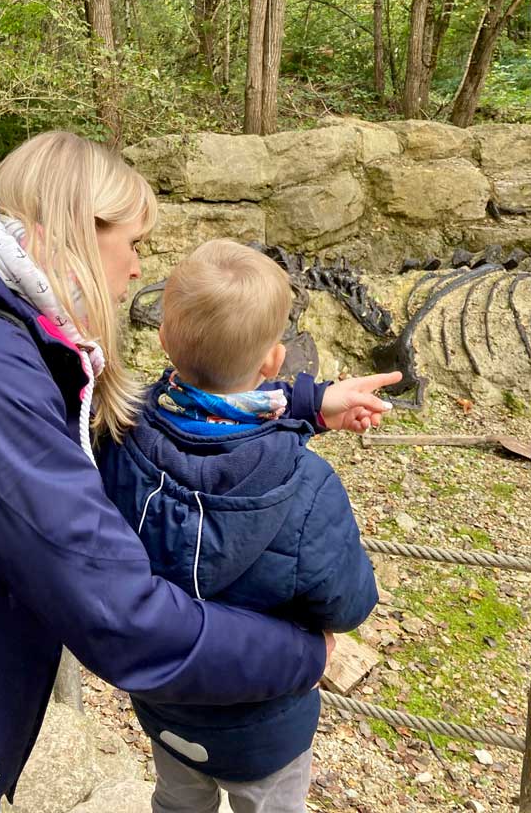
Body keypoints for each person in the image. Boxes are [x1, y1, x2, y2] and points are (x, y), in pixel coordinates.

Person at [0, 133, 341, 813]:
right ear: (80, 226)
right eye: (133, 242)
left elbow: (165, 408)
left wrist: (308, 402)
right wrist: (303, 655)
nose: (137, 269)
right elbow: (121, 617)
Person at [98, 239, 396, 813]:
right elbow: (350, 605)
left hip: (165, 703)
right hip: (265, 724)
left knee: (178, 798)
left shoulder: (118, 439)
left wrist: (310, 405)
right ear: (273, 362)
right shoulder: (308, 488)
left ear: (163, 337)